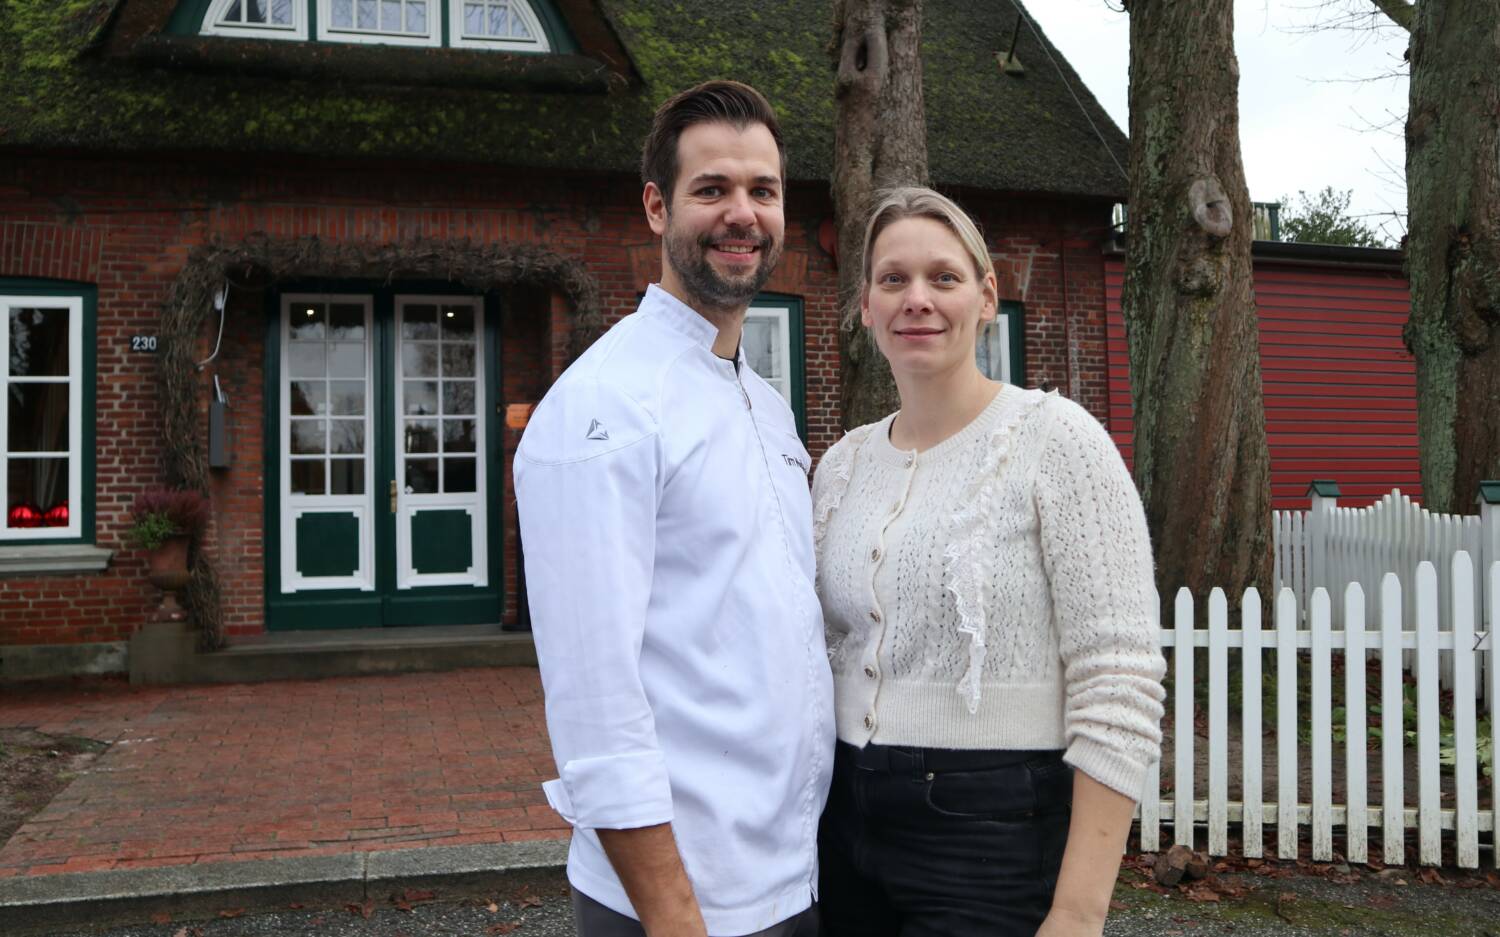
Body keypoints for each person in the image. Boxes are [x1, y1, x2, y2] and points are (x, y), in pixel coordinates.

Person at [514, 81, 831, 937]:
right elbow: (594, 703)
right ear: (657, 207)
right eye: (712, 189)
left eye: (763, 191)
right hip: (685, 901)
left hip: (792, 871)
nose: (743, 213)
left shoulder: (765, 404)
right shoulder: (605, 409)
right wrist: (672, 913)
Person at [812, 187, 1167, 937]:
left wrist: (1077, 911)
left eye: (943, 277)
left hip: (994, 832)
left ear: (985, 297)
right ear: (867, 306)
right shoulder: (840, 467)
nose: (918, 299)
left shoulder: (1057, 441)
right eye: (892, 279)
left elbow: (1120, 678)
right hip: (839, 821)